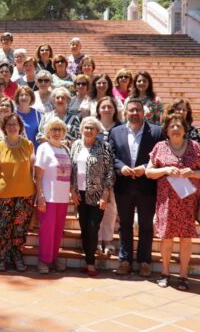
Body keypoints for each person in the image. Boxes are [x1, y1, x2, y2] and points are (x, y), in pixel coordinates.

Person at [146, 113, 200, 290]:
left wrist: (192, 173)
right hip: (166, 201)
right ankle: (165, 273)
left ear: (184, 129)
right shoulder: (160, 147)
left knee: (186, 238)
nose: (175, 129)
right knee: (166, 237)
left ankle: (183, 275)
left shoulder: (195, 147)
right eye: (172, 126)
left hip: (187, 200)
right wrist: (165, 169)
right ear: (166, 129)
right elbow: (149, 172)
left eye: (178, 126)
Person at [107, 98, 163, 277]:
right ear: (125, 112)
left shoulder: (156, 131)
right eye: (131, 110)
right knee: (125, 224)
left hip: (147, 185)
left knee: (146, 225)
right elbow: (111, 155)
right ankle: (125, 260)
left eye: (138, 110)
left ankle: (145, 261)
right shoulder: (115, 132)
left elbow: (161, 155)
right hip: (123, 186)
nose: (134, 113)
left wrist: (146, 167)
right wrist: (120, 167)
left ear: (143, 112)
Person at [0, 113, 36, 272]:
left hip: (25, 194)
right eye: (9, 124)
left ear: (20, 127)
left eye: (15, 124)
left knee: (20, 228)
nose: (12, 127)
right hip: (3, 194)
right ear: (4, 127)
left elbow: (33, 170)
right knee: (3, 228)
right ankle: (2, 256)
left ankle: (17, 256)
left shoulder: (28, 145)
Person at [70, 116, 114, 276]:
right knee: (84, 227)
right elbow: (71, 169)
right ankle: (89, 261)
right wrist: (72, 190)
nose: (88, 130)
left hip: (97, 194)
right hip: (80, 194)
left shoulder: (104, 146)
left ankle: (91, 264)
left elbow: (109, 172)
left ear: (97, 131)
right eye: (86, 127)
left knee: (93, 227)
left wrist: (105, 194)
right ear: (81, 129)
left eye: (92, 128)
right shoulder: (75, 145)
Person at [34, 118, 71, 274]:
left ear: (64, 133)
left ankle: (53, 258)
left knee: (57, 230)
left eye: (60, 130)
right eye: (54, 129)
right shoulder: (43, 148)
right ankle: (44, 260)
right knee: (47, 230)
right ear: (48, 132)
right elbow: (38, 176)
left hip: (62, 197)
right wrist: (40, 195)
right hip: (48, 197)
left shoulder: (65, 149)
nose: (57, 132)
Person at [96, 96, 121, 256]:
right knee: (96, 208)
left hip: (114, 174)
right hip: (95, 175)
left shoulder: (121, 128)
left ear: (114, 109)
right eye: (103, 106)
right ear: (98, 109)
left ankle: (108, 240)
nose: (106, 109)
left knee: (111, 209)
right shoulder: (93, 125)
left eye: (109, 107)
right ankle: (97, 240)